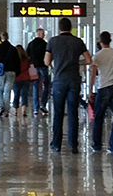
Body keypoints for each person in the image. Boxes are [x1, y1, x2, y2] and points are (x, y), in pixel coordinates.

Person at [45, 18, 92, 153]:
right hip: (74, 80)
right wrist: (78, 63)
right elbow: (88, 60)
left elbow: (47, 61)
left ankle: (56, 144)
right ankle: (73, 144)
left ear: (59, 28)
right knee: (73, 113)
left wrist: (55, 66)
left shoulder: (53, 41)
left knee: (58, 113)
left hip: (59, 80)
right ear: (70, 28)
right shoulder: (78, 42)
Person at [89, 31, 113, 153]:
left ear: (100, 42)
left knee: (98, 117)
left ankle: (97, 144)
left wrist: (90, 90)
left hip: (102, 88)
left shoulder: (97, 56)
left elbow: (93, 75)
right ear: (110, 41)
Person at [0, 32, 20, 117]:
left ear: (1, 38)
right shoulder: (13, 49)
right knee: (7, 91)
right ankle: (6, 111)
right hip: (11, 72)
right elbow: (17, 62)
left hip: (0, 72)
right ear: (8, 37)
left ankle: (0, 107)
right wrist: (17, 72)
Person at [28, 28, 50, 116]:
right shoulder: (45, 44)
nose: (44, 35)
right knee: (46, 85)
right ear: (39, 33)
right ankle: (43, 104)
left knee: (35, 87)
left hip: (34, 67)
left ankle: (35, 108)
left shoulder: (31, 44)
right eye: (43, 33)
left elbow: (27, 56)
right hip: (43, 67)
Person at [12, 45, 31, 117]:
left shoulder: (15, 60)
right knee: (24, 94)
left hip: (16, 79)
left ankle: (15, 110)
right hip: (26, 78)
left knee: (16, 94)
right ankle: (24, 110)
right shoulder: (27, 59)